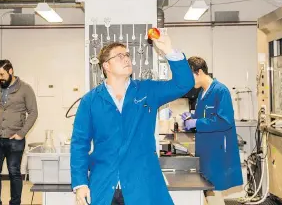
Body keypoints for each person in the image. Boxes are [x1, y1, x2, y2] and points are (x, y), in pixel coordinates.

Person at [71, 32, 194, 205]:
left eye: (127, 55)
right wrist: (80, 183)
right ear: (106, 65)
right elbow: (79, 144)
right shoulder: (90, 100)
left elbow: (184, 84)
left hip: (143, 184)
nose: (127, 58)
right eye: (119, 56)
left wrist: (169, 51)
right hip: (105, 184)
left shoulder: (147, 91)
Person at [181, 56, 243, 205]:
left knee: (213, 190)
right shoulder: (202, 93)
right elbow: (204, 115)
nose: (189, 82)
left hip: (217, 150)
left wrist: (196, 122)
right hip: (205, 150)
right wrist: (191, 116)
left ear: (200, 72)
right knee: (208, 190)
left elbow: (224, 121)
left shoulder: (220, 91)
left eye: (191, 77)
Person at [0, 60, 38, 205]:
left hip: (15, 139)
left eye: (1, 74)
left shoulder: (25, 89)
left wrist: (21, 133)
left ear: (11, 71)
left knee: (14, 172)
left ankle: (15, 203)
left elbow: (33, 112)